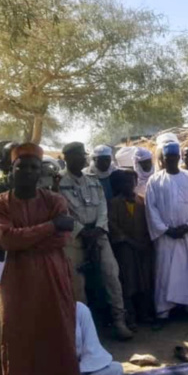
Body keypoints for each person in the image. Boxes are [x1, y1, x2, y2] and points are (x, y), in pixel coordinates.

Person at [0, 143, 90, 375]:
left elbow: (61, 240)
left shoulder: (55, 200)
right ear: (12, 169)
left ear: (40, 171)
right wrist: (51, 225)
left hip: (53, 277)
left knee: (59, 338)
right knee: (22, 342)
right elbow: (9, 240)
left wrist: (22, 239)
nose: (28, 172)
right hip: (17, 282)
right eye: (22, 166)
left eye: (34, 167)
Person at [59, 142, 132, 340]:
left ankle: (119, 321)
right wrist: (82, 232)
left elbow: (102, 208)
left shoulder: (92, 180)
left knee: (111, 275)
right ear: (65, 158)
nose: (81, 159)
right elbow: (61, 212)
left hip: (99, 235)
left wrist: (99, 228)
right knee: (77, 285)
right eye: (75, 156)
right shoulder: (59, 183)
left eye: (82, 155)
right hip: (75, 239)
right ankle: (83, 331)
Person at [145, 142, 188, 319]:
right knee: (165, 271)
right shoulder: (154, 180)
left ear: (178, 158)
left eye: (173, 158)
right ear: (162, 160)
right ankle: (164, 310)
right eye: (166, 159)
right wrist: (164, 229)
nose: (169, 161)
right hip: (166, 235)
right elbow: (151, 207)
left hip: (187, 233)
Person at [107, 170, 154, 327]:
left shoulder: (142, 202)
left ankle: (144, 313)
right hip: (125, 249)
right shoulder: (113, 204)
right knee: (128, 283)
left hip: (142, 248)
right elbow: (113, 226)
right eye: (125, 182)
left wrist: (145, 242)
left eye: (131, 182)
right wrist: (128, 241)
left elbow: (149, 224)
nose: (128, 185)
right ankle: (130, 316)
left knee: (144, 282)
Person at [75, 302, 124, 375]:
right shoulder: (38, 313)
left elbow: (91, 351)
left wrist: (79, 374)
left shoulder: (79, 309)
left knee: (115, 370)